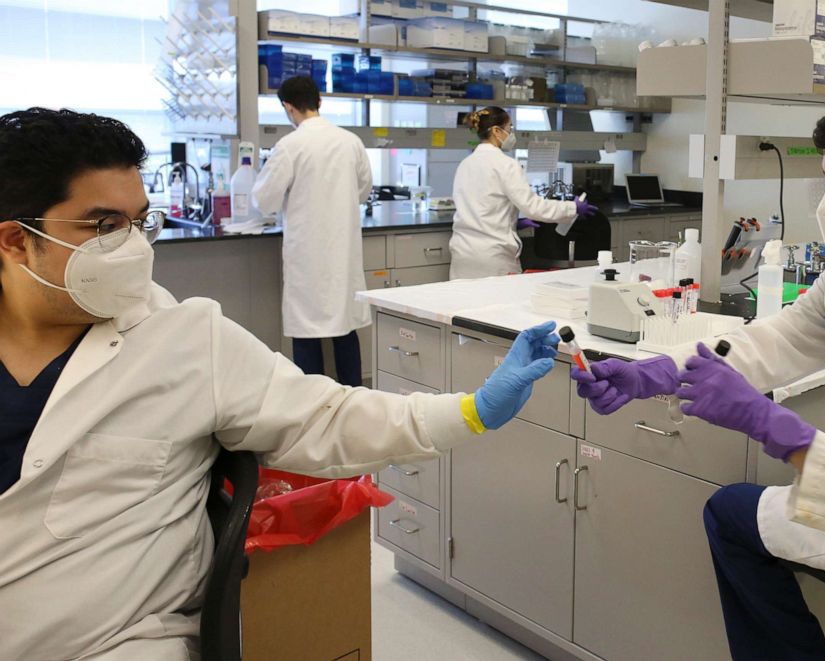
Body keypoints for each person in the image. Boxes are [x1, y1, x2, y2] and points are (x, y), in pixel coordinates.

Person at [0, 107, 559, 661]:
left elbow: (327, 416)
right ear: (16, 241)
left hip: (112, 646)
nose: (134, 247)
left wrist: (473, 409)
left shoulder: (186, 339)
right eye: (103, 227)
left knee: (331, 339)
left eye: (139, 221)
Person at [572, 87, 825, 660]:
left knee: (730, 514)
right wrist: (661, 372)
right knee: (741, 508)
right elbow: (789, 334)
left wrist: (779, 430)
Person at [252, 75, 371, 386]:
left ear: (288, 108)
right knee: (345, 329)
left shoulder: (291, 145)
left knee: (306, 333)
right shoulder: (350, 141)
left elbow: (263, 199)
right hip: (342, 253)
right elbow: (363, 189)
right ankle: (355, 402)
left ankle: (313, 408)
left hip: (307, 256)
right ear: (319, 102)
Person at [449, 106, 599, 279]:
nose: (512, 133)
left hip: (463, 254)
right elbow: (533, 207)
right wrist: (573, 208)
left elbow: (478, 207)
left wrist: (513, 222)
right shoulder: (506, 164)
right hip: (493, 256)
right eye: (510, 128)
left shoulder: (465, 164)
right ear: (497, 131)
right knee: (499, 305)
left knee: (465, 304)